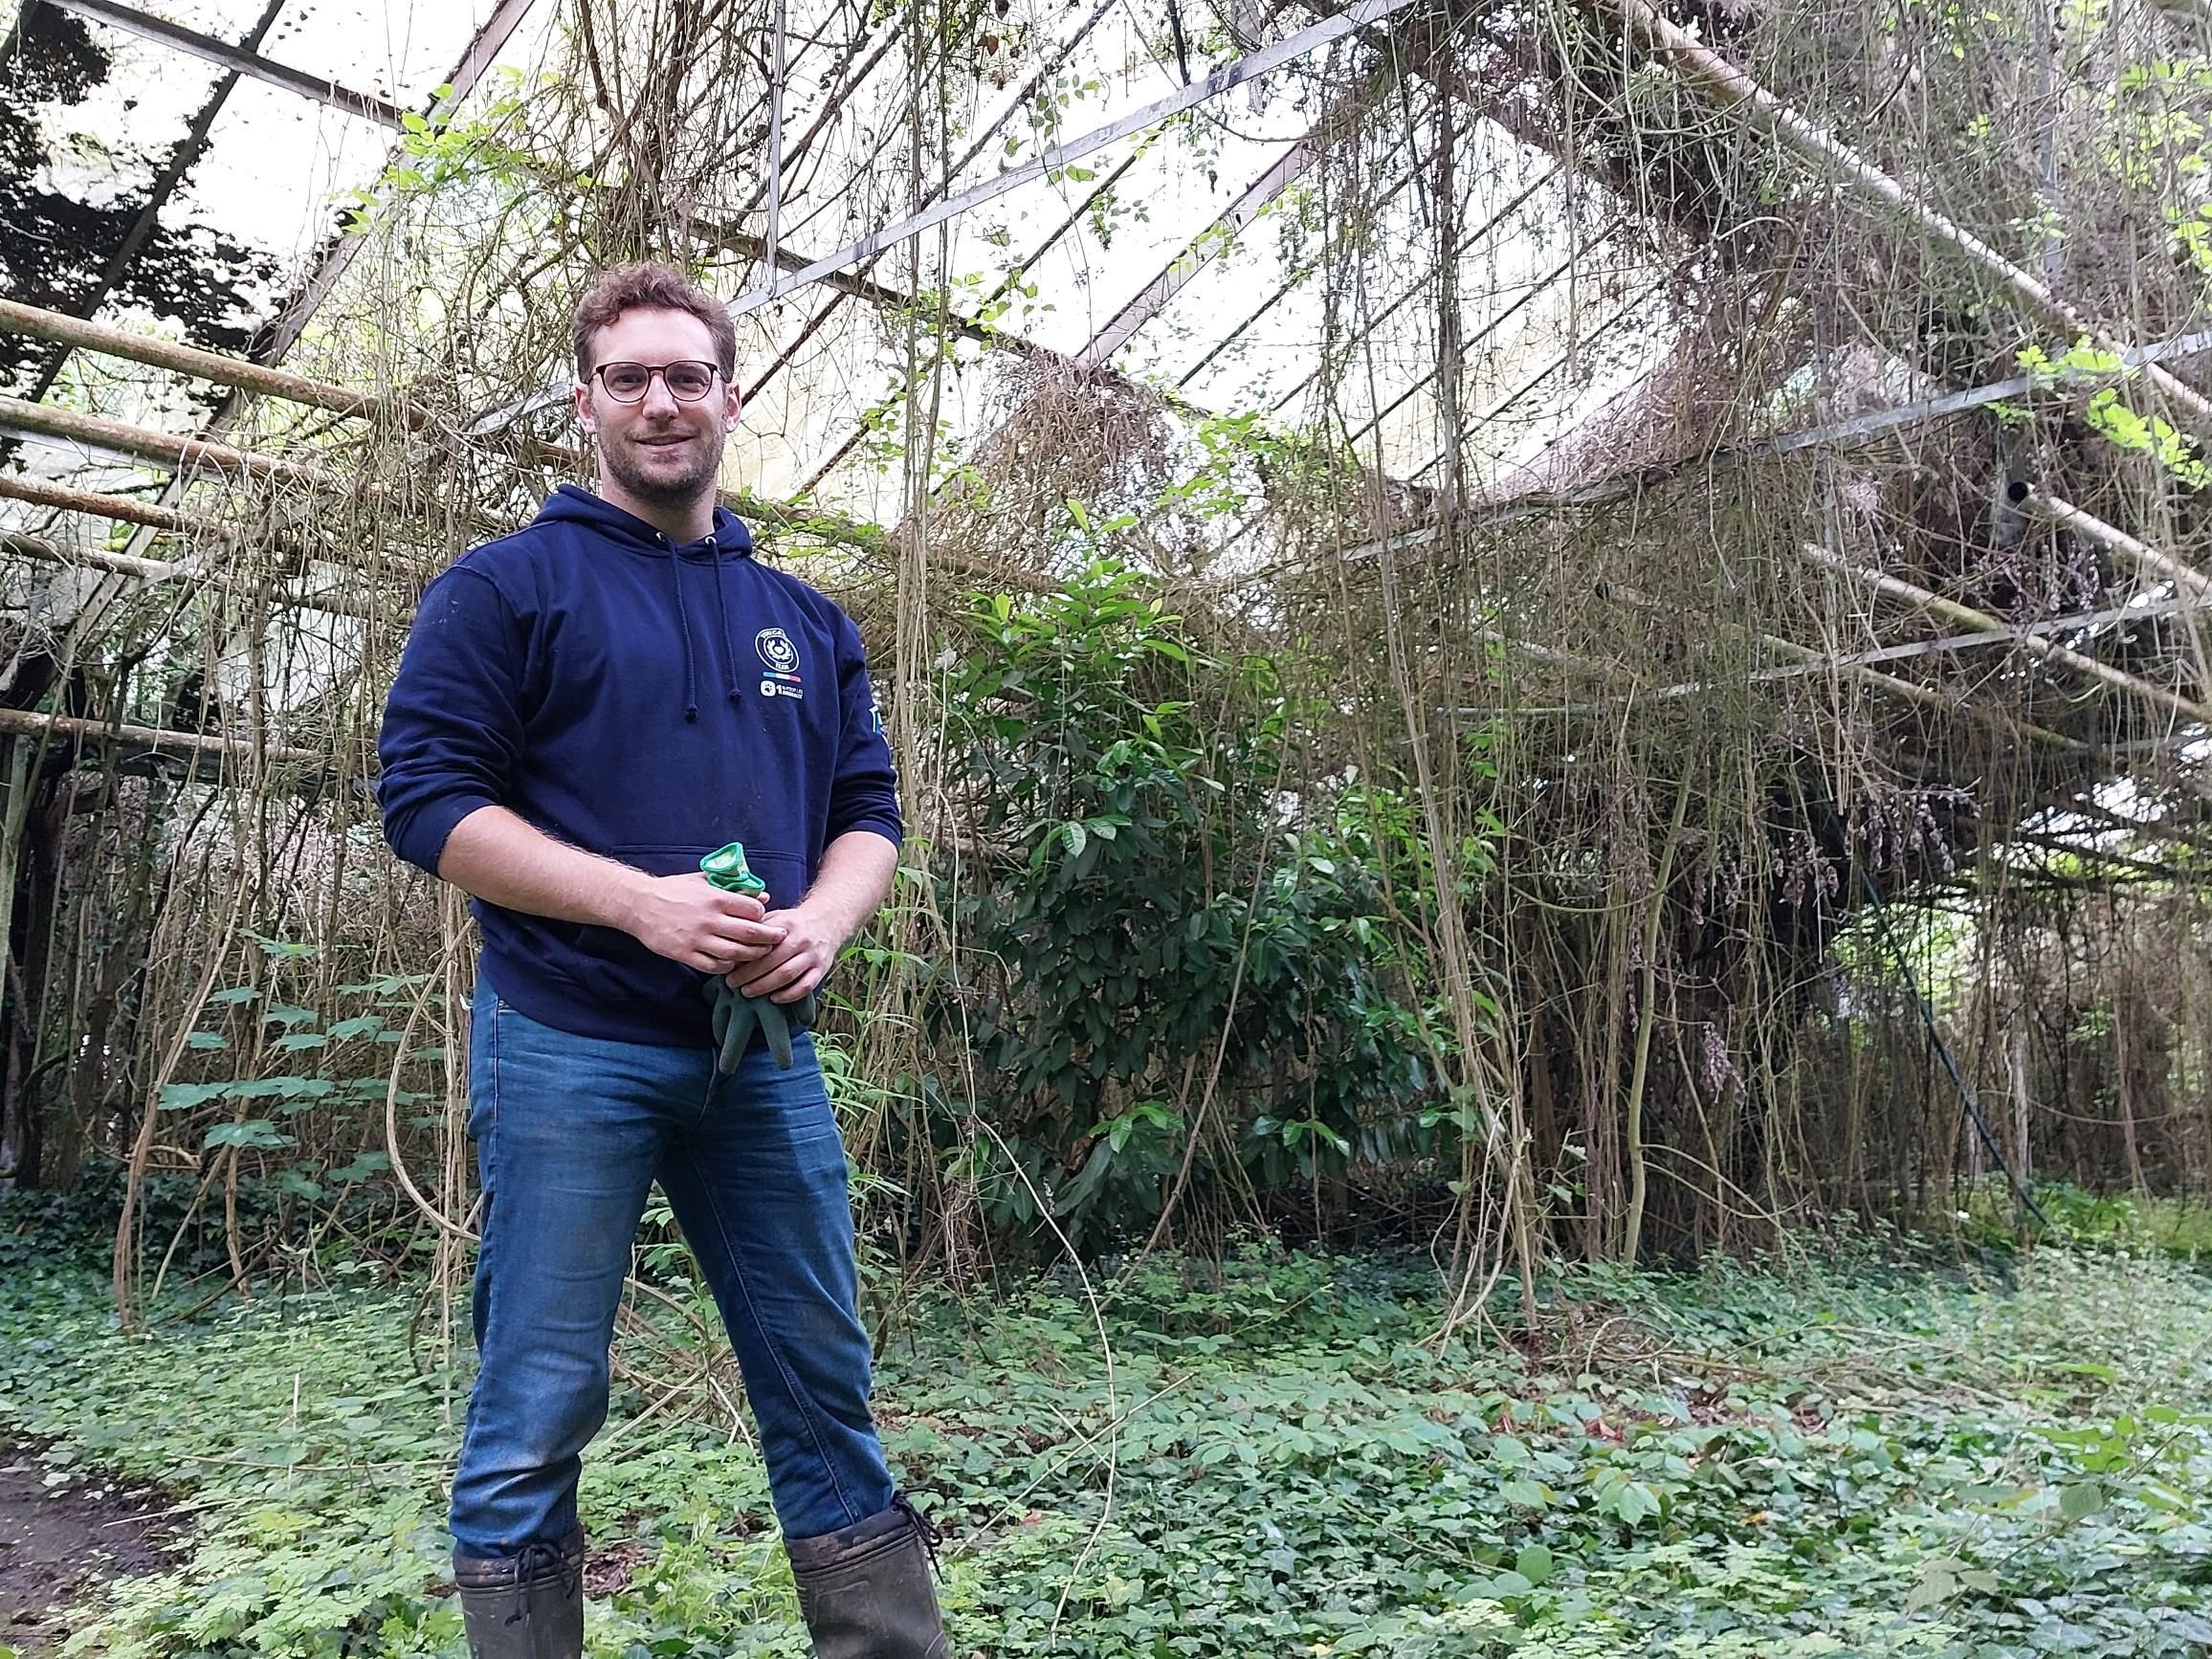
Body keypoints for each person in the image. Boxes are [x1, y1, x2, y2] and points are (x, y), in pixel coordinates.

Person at [377, 262, 946, 1659]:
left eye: (687, 373)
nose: (660, 399)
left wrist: (820, 921)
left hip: (761, 1059)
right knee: (541, 1393)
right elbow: (427, 802)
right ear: (586, 403)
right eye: (627, 376)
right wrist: (637, 903)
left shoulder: (808, 622)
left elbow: (869, 816)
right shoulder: (507, 589)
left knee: (822, 1380)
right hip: (568, 1038)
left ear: (731, 395)